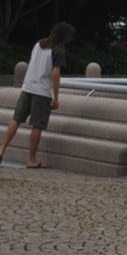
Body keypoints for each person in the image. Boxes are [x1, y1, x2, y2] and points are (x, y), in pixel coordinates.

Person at [1, 22, 74, 169]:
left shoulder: (39, 44)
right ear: (64, 37)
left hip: (28, 86)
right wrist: (56, 96)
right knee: (37, 125)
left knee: (16, 119)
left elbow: (30, 64)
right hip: (42, 91)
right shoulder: (58, 51)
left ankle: (2, 149)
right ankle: (32, 159)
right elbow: (55, 73)